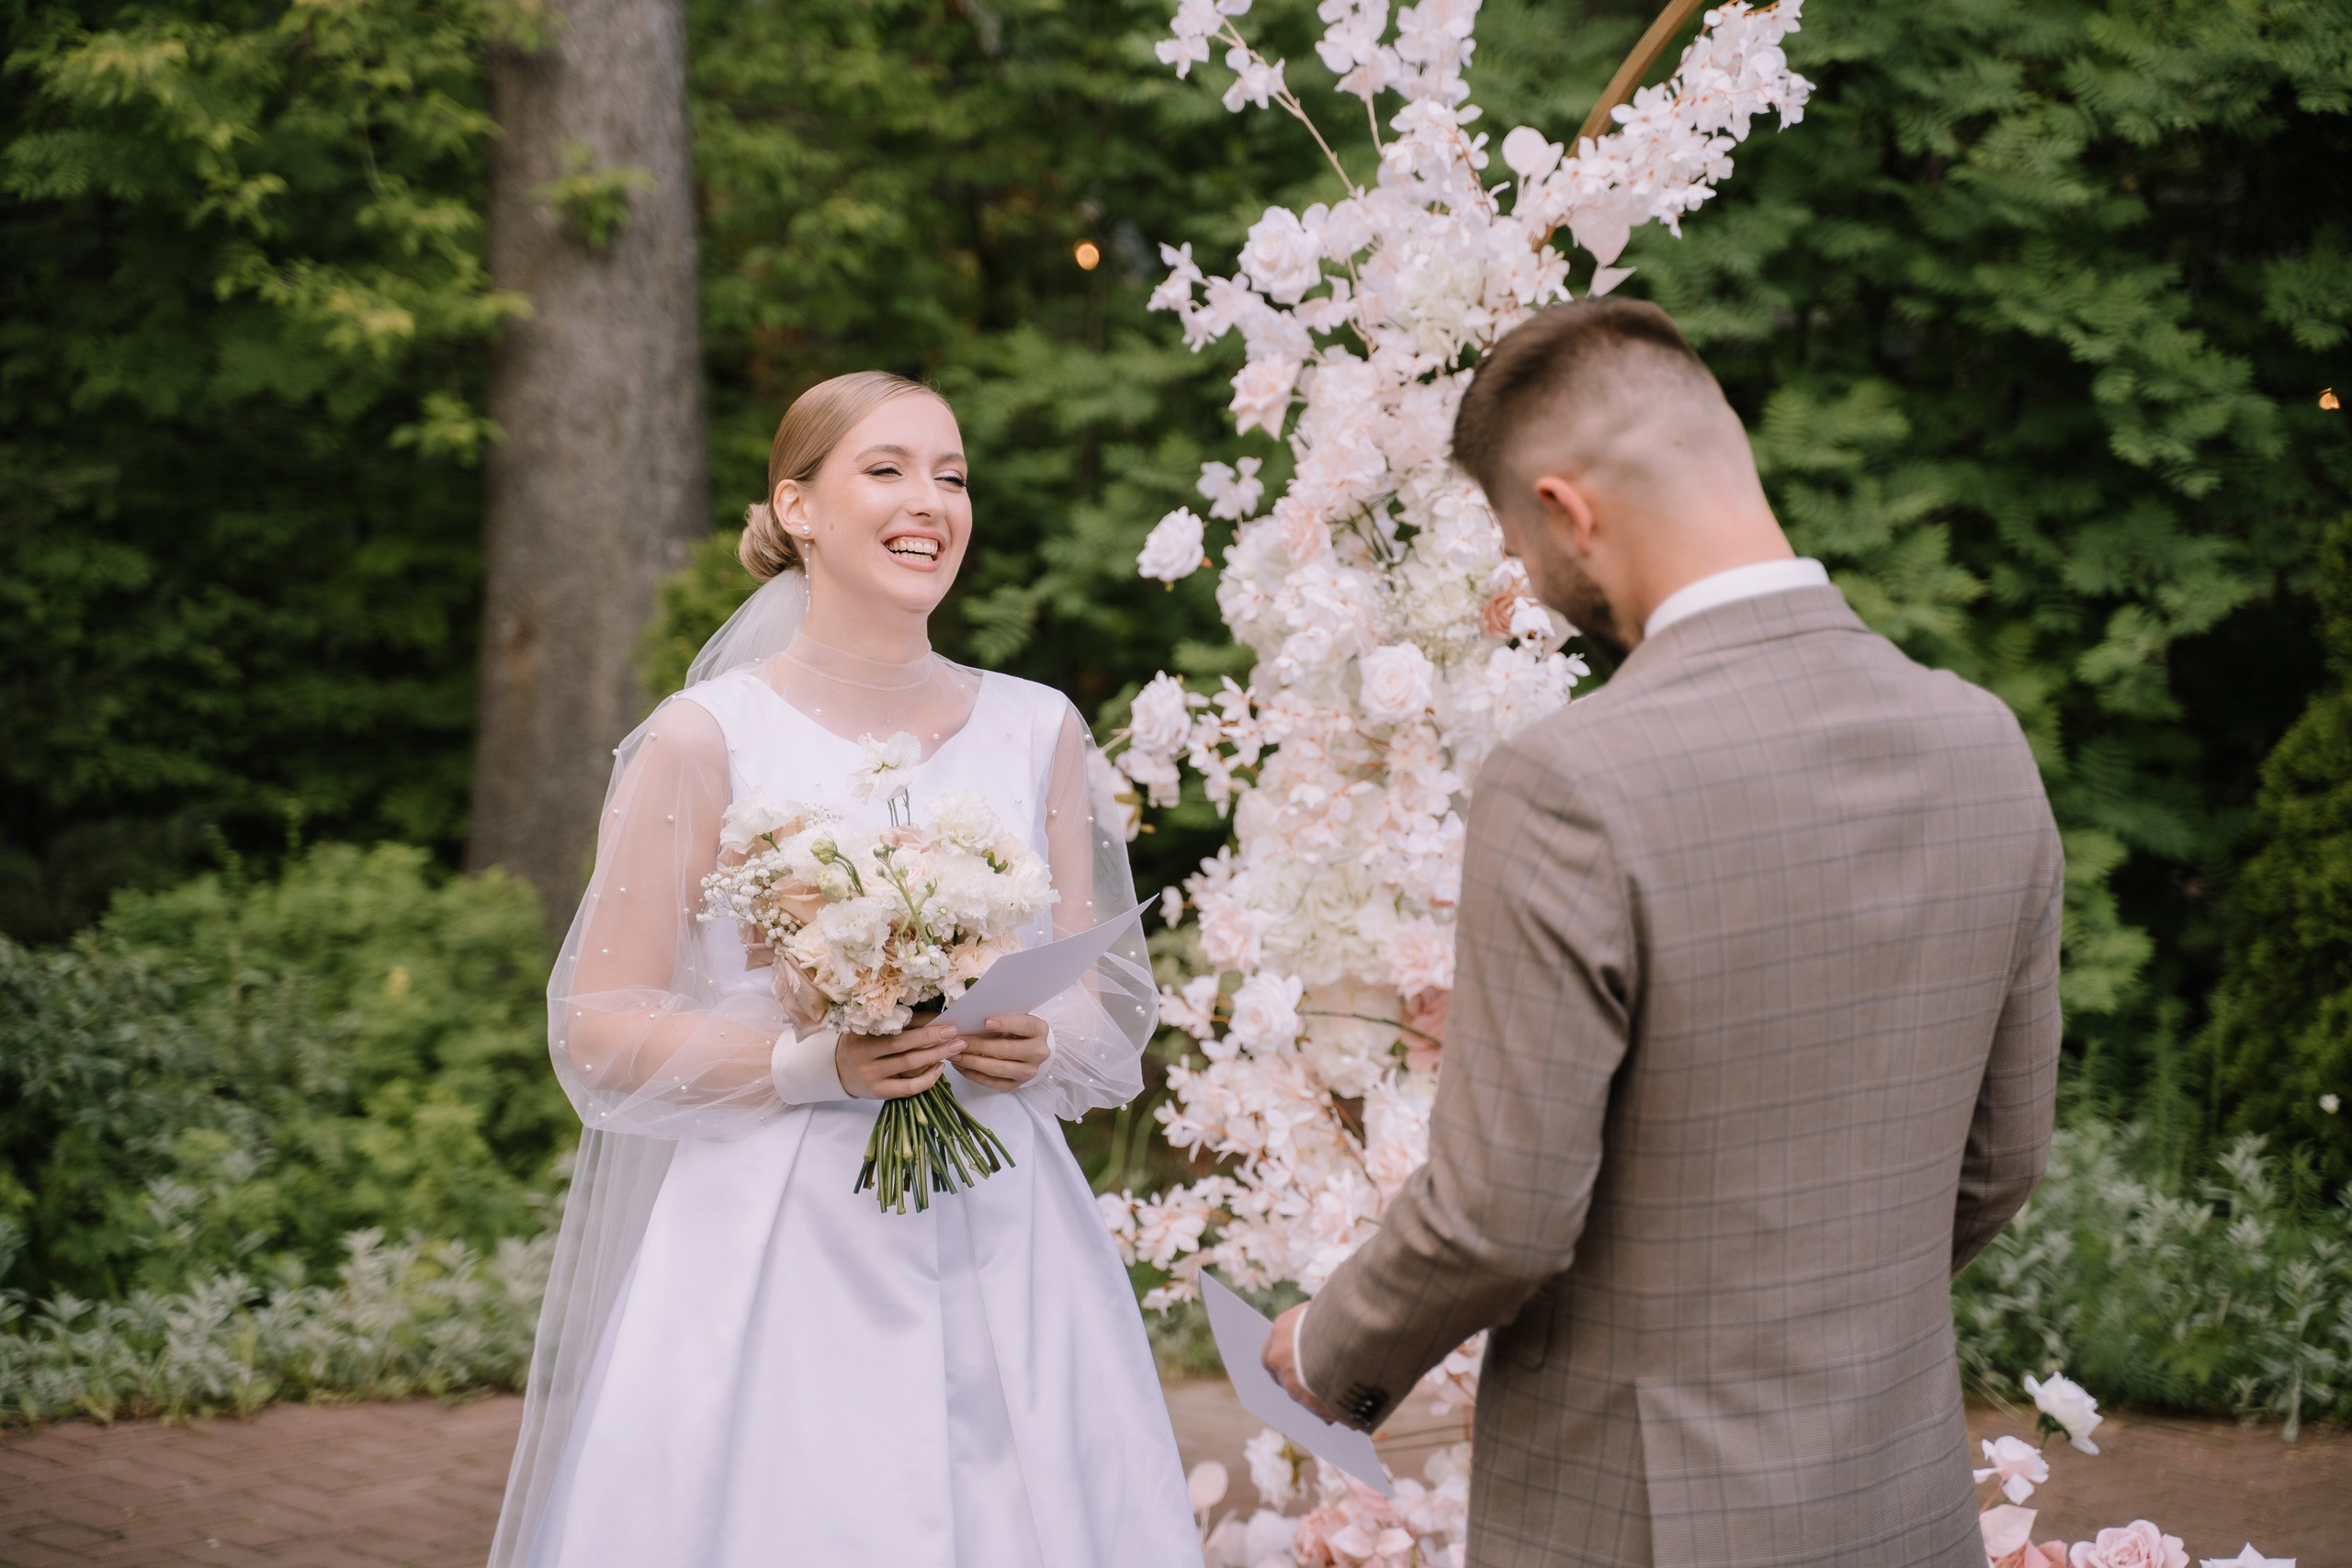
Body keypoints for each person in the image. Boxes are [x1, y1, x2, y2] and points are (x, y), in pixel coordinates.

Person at [1262, 300, 2064, 1567]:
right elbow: (2004, 1159)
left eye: (1517, 542)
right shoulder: (1985, 743)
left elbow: (1500, 1216)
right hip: (1899, 1500)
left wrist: (1326, 1346)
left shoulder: (1574, 780)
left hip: (1639, 1517)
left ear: (1570, 511)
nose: (1524, 581)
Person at [487, 372, 1197, 1568]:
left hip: (1006, 1231)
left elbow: (1100, 1000)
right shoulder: (704, 738)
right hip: (777, 1246)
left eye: (954, 475)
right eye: (890, 470)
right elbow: (601, 1023)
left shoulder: (1041, 729)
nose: (933, 501)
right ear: (798, 508)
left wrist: (1043, 1037)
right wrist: (814, 1061)